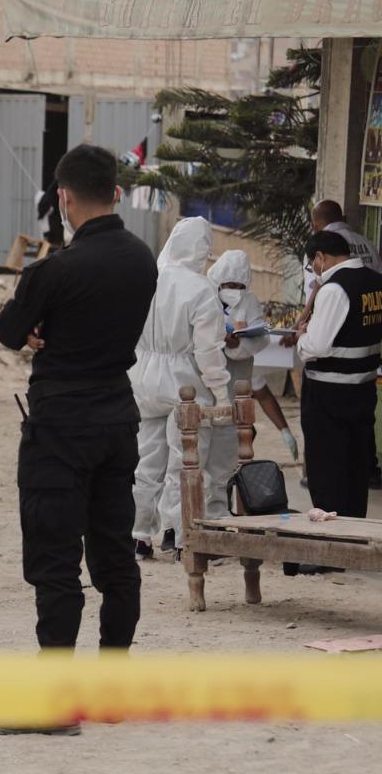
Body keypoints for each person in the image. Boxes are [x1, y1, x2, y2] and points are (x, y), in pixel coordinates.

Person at [0, 144, 156, 690]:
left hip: (61, 425)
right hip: (117, 418)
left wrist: (42, 327)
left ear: (63, 198)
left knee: (56, 557)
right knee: (115, 555)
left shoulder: (53, 270)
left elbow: (11, 331)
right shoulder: (142, 259)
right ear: (115, 192)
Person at [129, 217, 229, 561]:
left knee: (144, 461)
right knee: (186, 462)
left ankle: (138, 535)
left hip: (142, 378)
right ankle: (179, 534)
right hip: (184, 382)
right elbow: (208, 351)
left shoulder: (146, 278)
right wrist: (222, 393)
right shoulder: (201, 289)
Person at [295, 230, 382, 519]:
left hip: (328, 395)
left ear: (321, 257)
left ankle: (328, 542)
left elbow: (317, 345)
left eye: (312, 265)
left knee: (326, 469)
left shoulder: (334, 288)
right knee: (355, 467)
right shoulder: (374, 282)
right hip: (364, 388)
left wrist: (301, 339)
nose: (314, 272)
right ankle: (352, 530)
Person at [204, 250, 273, 521]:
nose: (234, 291)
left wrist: (239, 343)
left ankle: (219, 515)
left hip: (236, 389)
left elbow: (260, 337)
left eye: (239, 286)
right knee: (199, 456)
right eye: (228, 286)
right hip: (207, 388)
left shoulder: (250, 302)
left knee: (225, 459)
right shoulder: (206, 297)